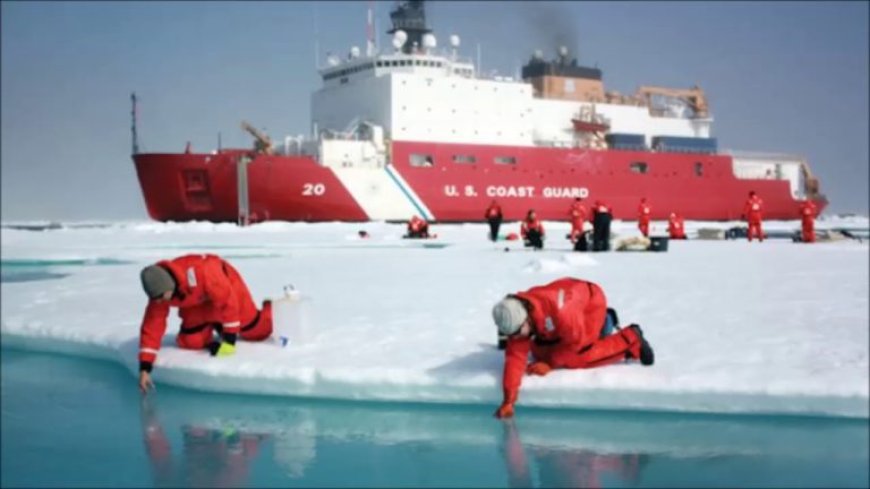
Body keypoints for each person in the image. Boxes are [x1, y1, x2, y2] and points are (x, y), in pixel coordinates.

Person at [491, 277, 654, 419]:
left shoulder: (563, 314)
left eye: (517, 333)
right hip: (570, 301)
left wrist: (550, 364)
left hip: (591, 304)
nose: (515, 338)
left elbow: (574, 345)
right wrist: (508, 401)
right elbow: (515, 358)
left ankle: (631, 339)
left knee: (578, 357)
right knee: (539, 353)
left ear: (525, 319)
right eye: (510, 335)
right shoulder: (518, 313)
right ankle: (606, 321)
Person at [137, 254, 274, 394]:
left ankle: (271, 309)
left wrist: (229, 339)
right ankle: (216, 323)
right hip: (196, 303)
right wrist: (145, 367)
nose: (159, 302)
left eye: (161, 297)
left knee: (257, 330)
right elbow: (153, 325)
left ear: (169, 286)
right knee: (190, 342)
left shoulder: (205, 271)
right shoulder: (159, 292)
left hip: (227, 289)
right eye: (156, 299)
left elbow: (228, 303)